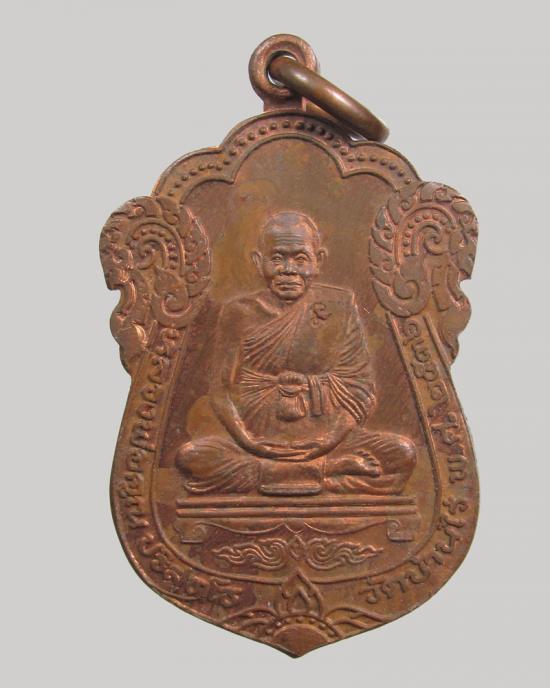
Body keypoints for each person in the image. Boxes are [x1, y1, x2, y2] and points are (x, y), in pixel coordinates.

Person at [176, 211, 415, 495]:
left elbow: (359, 389)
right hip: (256, 443)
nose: (289, 269)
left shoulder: (339, 306)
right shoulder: (238, 312)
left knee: (402, 453)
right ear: (259, 262)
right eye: (277, 259)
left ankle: (284, 473)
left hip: (331, 440)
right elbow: (221, 391)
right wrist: (249, 442)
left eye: (300, 259)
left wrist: (328, 441)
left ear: (318, 261)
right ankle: (327, 472)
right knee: (190, 457)